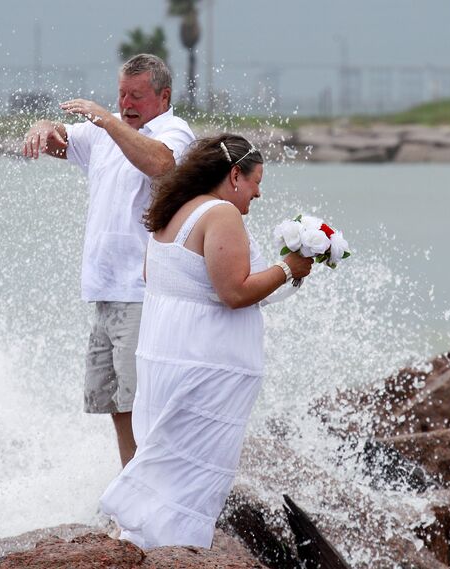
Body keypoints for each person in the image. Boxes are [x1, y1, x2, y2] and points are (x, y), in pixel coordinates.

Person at [100, 134, 313, 548]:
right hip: (204, 363)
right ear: (234, 174)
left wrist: (284, 277)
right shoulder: (221, 214)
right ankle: (176, 549)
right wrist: (288, 268)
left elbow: (160, 278)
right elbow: (234, 292)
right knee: (195, 470)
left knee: (168, 462)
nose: (259, 191)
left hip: (167, 356)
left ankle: (144, 543)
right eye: (255, 181)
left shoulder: (174, 207)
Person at [22, 54, 195, 467]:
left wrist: (107, 119)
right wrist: (44, 127)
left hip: (142, 291)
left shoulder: (174, 132)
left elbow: (160, 164)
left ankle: (149, 495)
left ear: (163, 95)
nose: (126, 103)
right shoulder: (105, 130)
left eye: (136, 95)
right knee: (116, 402)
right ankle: (129, 486)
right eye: (121, 94)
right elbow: (61, 140)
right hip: (103, 289)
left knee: (143, 402)